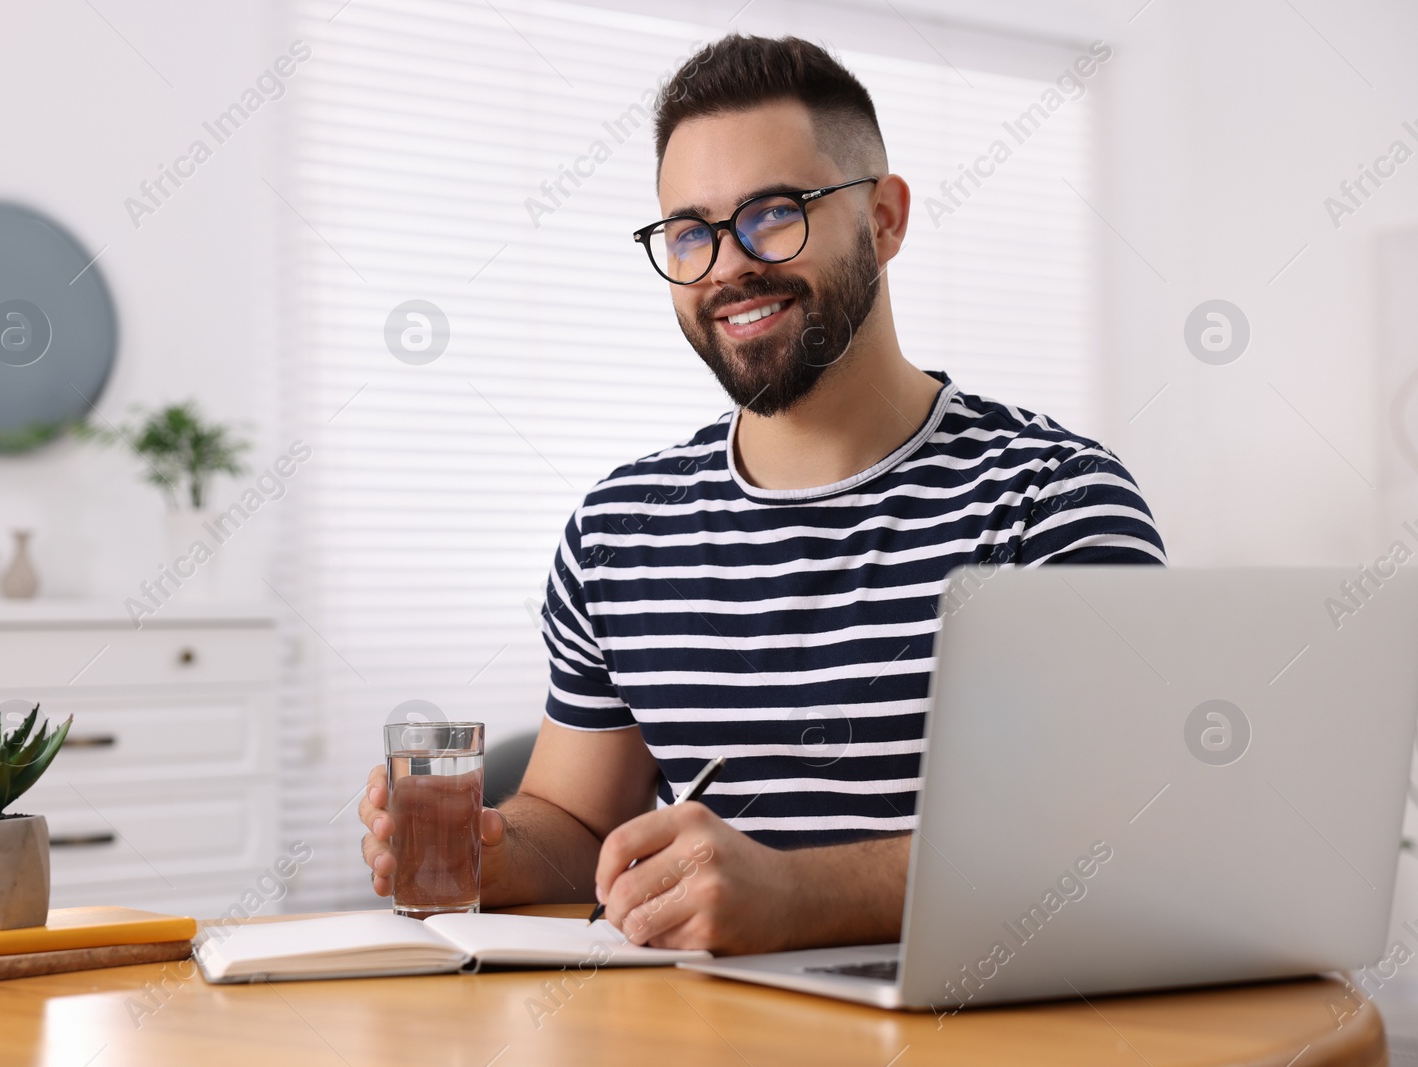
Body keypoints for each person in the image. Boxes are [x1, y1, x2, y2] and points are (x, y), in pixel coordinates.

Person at [360, 34, 1164, 955]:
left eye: (774, 214)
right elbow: (576, 824)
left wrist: (798, 894)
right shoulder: (618, 530)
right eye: (690, 233)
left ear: (887, 219)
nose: (727, 267)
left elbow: (1111, 845)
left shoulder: (1053, 502)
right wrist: (489, 853)